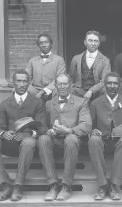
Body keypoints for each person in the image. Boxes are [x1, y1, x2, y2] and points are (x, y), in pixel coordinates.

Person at [0, 69, 47, 201]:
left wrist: (29, 133)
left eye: (25, 81)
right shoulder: (5, 103)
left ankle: (18, 185)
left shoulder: (37, 102)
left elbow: (43, 127)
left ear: (29, 83)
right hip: (9, 142)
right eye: (19, 81)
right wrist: (3, 133)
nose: (22, 84)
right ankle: (5, 184)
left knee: (29, 142)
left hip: (28, 145)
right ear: (13, 83)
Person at [38, 73, 92, 201]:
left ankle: (67, 185)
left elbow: (87, 125)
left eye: (65, 83)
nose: (62, 86)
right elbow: (42, 125)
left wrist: (69, 130)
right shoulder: (49, 103)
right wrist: (49, 131)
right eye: (59, 84)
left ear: (70, 85)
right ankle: (53, 185)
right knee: (43, 139)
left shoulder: (81, 102)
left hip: (73, 141)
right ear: (55, 86)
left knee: (71, 139)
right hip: (55, 140)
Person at [88, 72, 122, 200]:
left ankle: (114, 185)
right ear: (104, 85)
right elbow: (90, 126)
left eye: (115, 83)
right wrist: (93, 132)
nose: (112, 86)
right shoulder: (95, 103)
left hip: (119, 142)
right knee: (93, 140)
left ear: (119, 85)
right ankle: (103, 185)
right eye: (109, 83)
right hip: (101, 141)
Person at [69, 30, 111, 101]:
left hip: (97, 92)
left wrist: (91, 91)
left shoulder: (105, 60)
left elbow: (104, 81)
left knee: (106, 90)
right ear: (85, 42)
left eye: (96, 41)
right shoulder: (76, 58)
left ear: (99, 43)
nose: (93, 43)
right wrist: (72, 86)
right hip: (80, 91)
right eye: (90, 41)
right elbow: (71, 77)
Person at [25, 34, 66, 102]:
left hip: (52, 90)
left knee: (58, 90)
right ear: (38, 46)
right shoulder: (33, 60)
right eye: (41, 43)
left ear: (51, 44)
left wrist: (43, 91)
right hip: (36, 90)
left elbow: (59, 78)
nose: (44, 45)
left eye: (46, 42)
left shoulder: (59, 60)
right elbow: (26, 77)